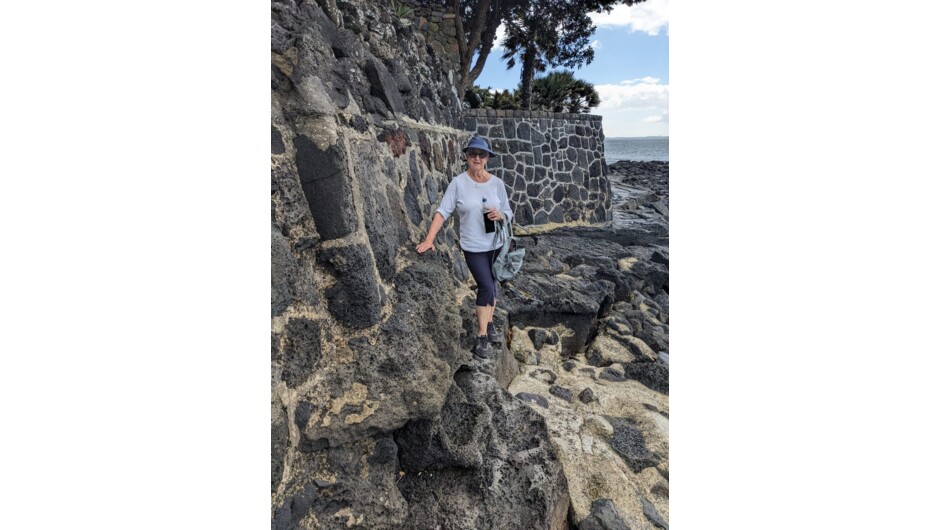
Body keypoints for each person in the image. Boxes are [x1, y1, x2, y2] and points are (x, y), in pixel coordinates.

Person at [416, 136, 513, 358]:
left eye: (482, 154)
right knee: (486, 286)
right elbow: (443, 212)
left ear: (488, 158)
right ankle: (481, 336)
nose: (477, 158)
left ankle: (488, 324)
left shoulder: (497, 183)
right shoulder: (458, 183)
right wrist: (429, 239)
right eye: (473, 154)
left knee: (493, 284)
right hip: (474, 247)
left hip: (496, 245)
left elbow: (508, 211)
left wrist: (501, 215)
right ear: (467, 157)